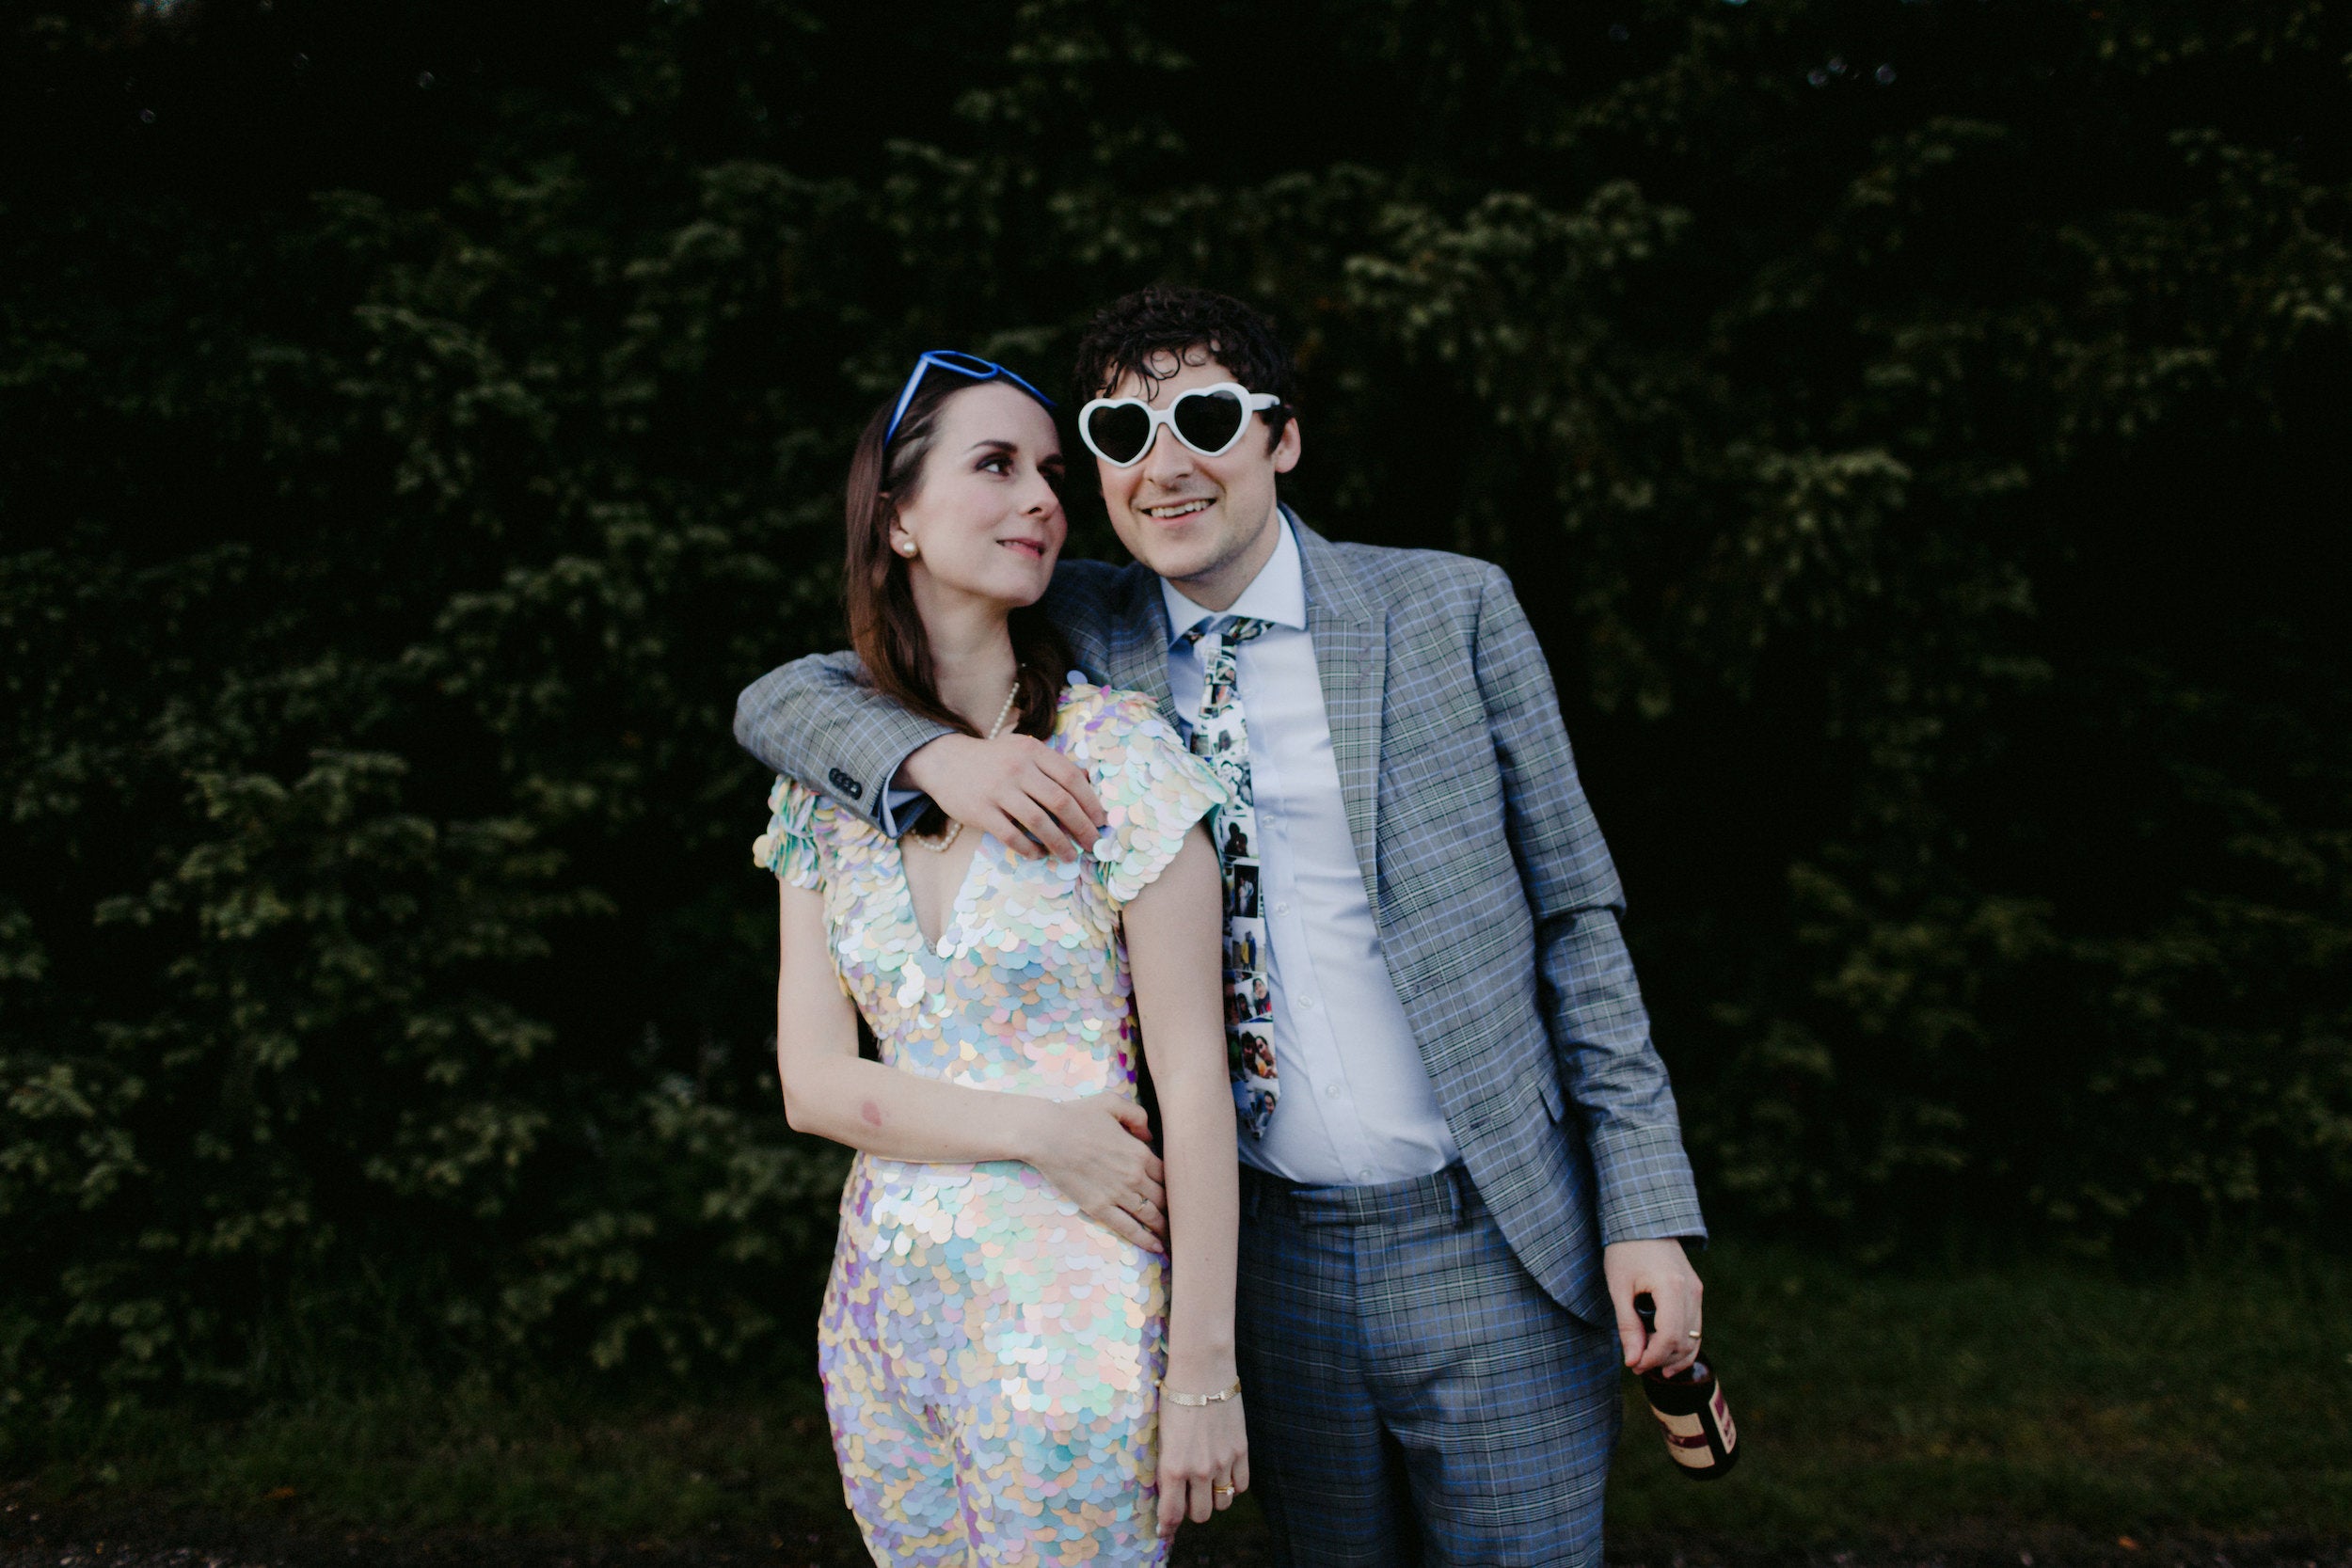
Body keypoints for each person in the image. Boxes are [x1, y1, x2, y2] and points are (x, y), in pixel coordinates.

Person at [739, 292, 1710, 1568]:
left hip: (1489, 1235)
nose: (1168, 464)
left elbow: (1579, 922)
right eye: (1122, 435)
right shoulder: (1092, 622)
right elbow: (789, 696)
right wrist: (928, 761)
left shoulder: (1450, 612)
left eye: (1204, 418)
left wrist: (1647, 1207)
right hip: (1270, 1257)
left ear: (1281, 439)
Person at [750, 349, 1246, 1566]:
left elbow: (1194, 1085)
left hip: (1073, 1316)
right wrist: (1042, 1127)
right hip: (882, 1315)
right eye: (995, 465)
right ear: (898, 518)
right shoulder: (824, 788)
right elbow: (812, 1085)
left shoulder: (1119, 758)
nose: (1042, 498)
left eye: (1048, 473)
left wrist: (1204, 1372)